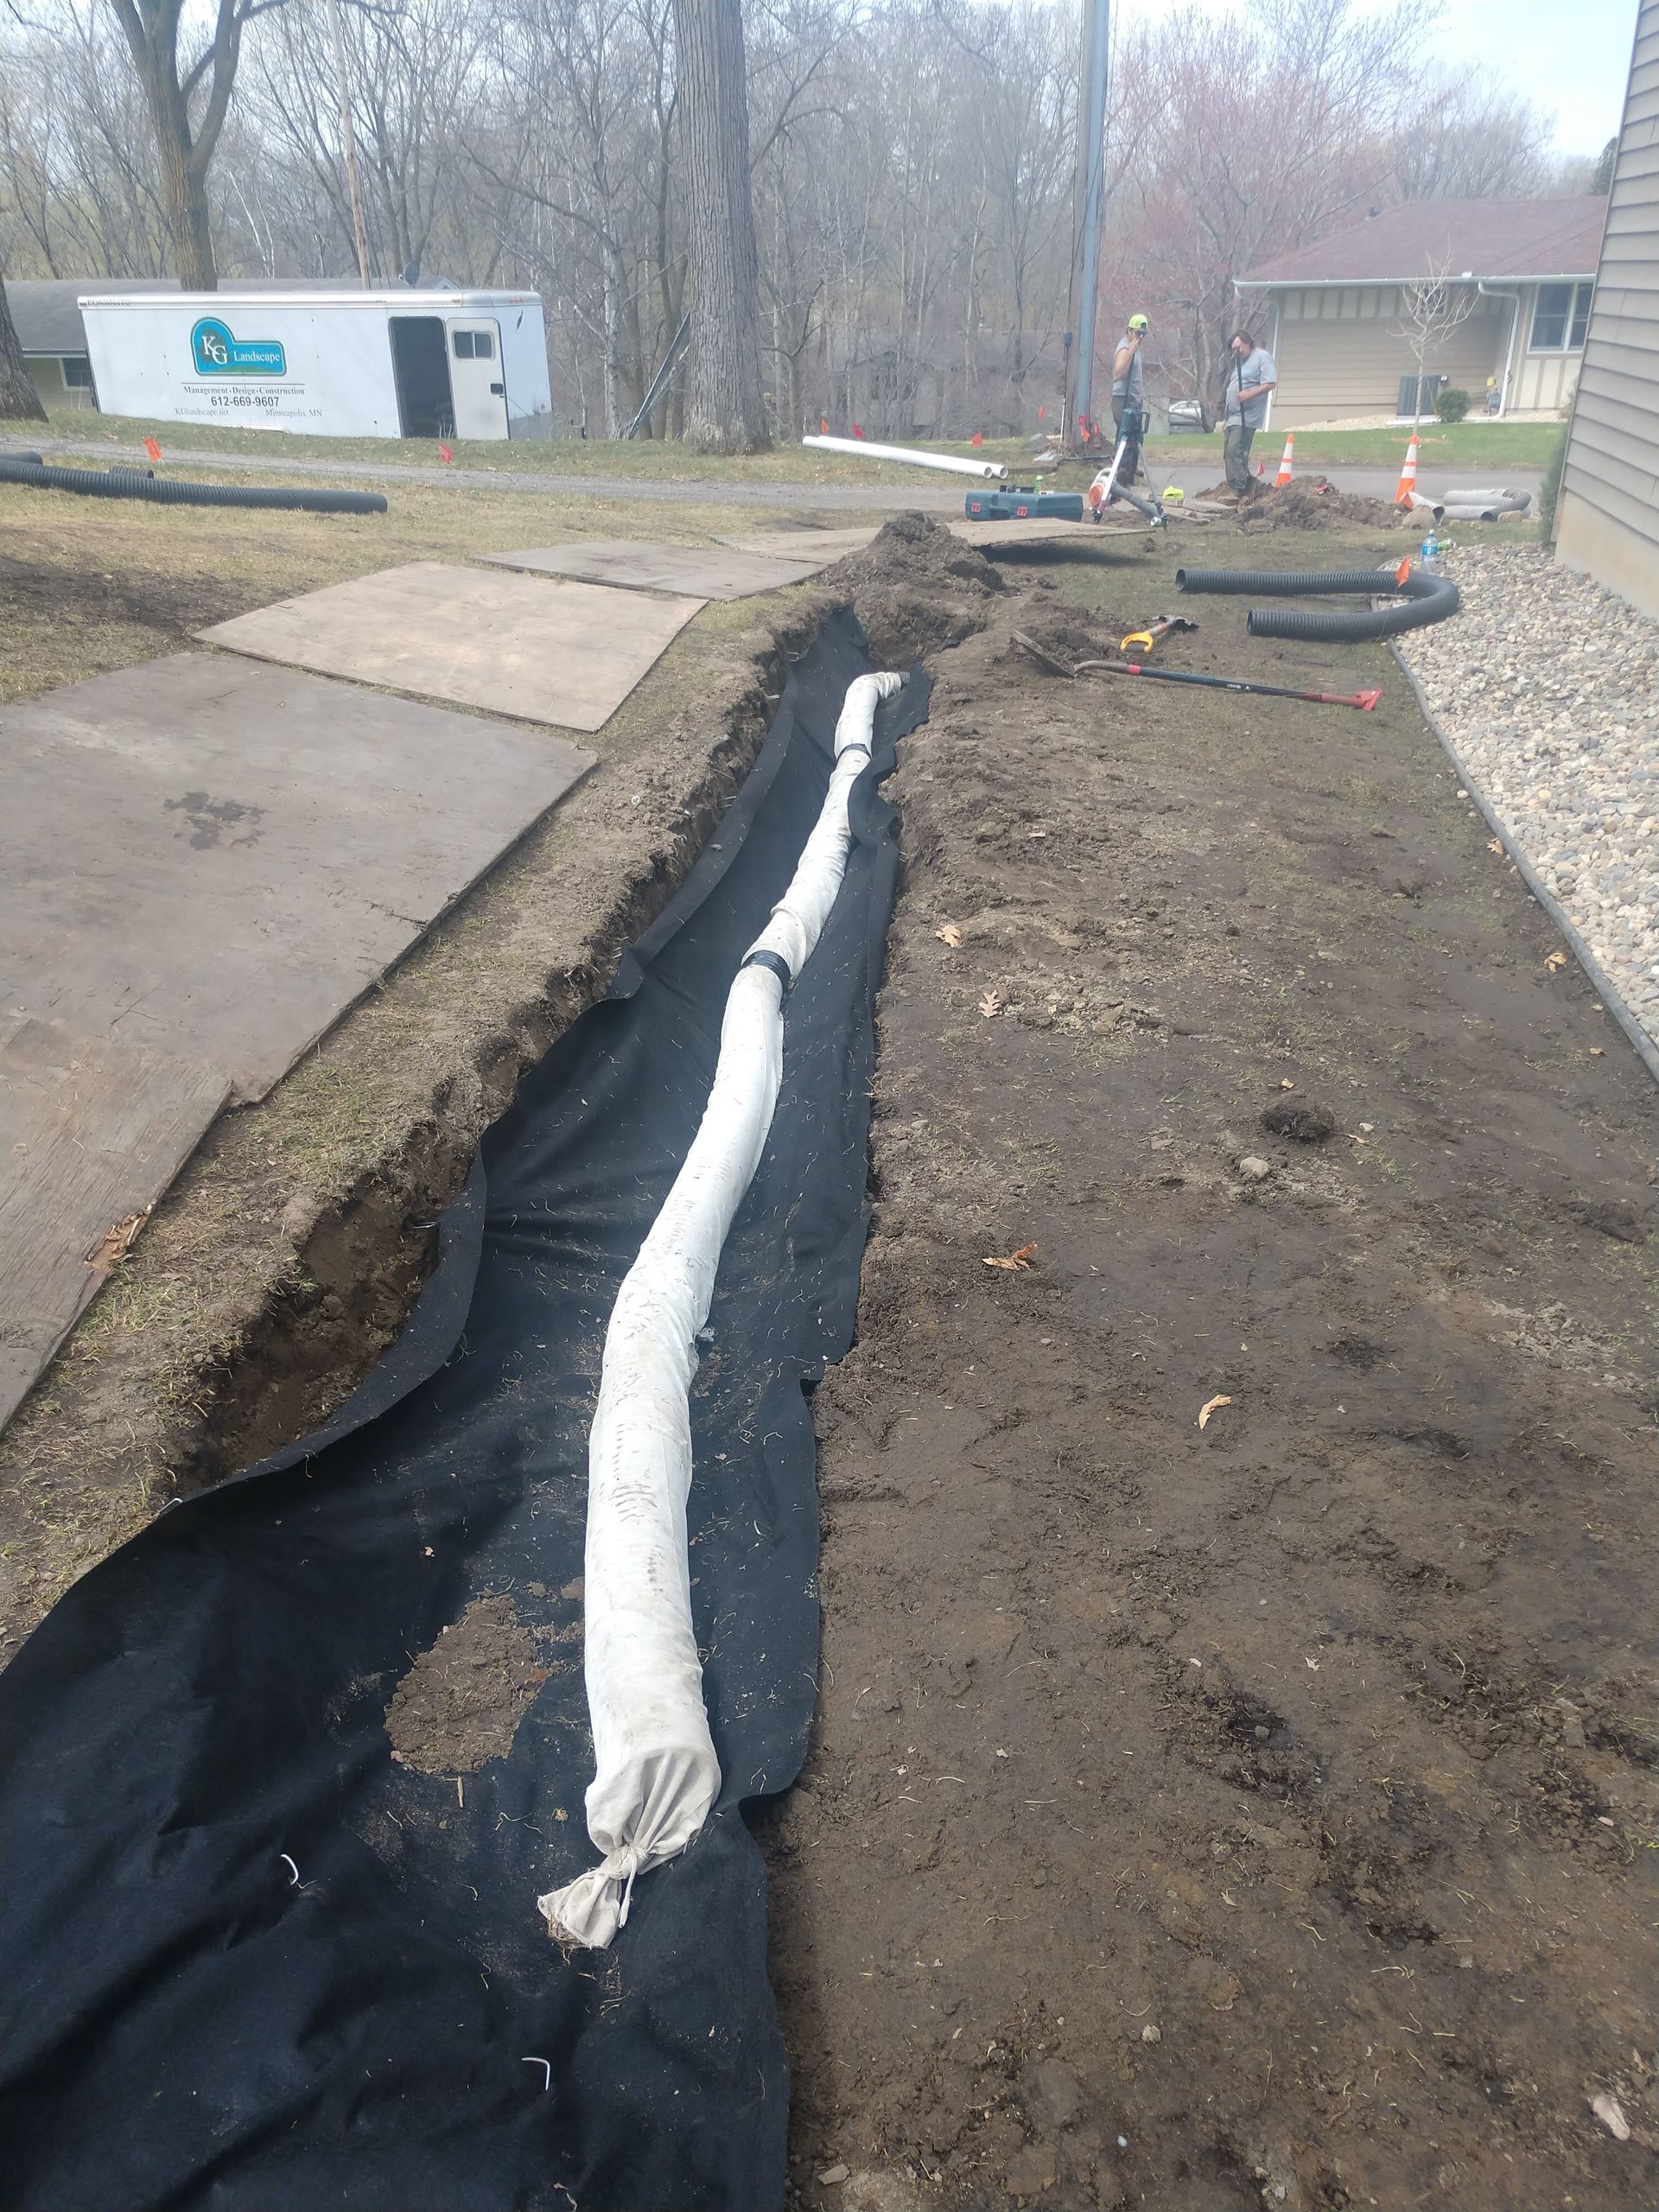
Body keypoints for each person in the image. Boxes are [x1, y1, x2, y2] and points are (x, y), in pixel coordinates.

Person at [1222, 328, 1276, 495]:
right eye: (1233, 349)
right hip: (1233, 416)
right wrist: (1226, 418)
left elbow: (1270, 383)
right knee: (1229, 452)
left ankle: (1237, 489)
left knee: (1235, 449)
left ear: (1248, 343)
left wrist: (1248, 394)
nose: (1236, 352)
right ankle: (1241, 481)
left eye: (1238, 348)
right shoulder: (1239, 363)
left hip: (1247, 415)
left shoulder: (1261, 357)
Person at [1109, 312, 1150, 482]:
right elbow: (1119, 373)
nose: (1140, 337)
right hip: (1122, 399)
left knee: (1136, 438)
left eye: (1143, 334)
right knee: (1125, 439)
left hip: (1133, 400)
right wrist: (1130, 352)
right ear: (1128, 331)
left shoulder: (1136, 348)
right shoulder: (1125, 347)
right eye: (1137, 333)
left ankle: (1130, 476)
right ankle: (1121, 479)